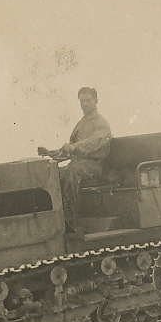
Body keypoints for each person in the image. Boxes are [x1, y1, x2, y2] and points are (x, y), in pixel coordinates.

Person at [37, 86, 113, 231]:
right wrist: (50, 153)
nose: (84, 104)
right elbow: (69, 150)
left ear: (96, 101)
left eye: (88, 100)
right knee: (54, 174)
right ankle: (53, 212)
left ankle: (68, 215)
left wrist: (73, 148)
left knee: (73, 170)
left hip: (93, 166)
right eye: (81, 101)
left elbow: (94, 142)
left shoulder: (102, 124)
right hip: (78, 164)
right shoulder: (81, 123)